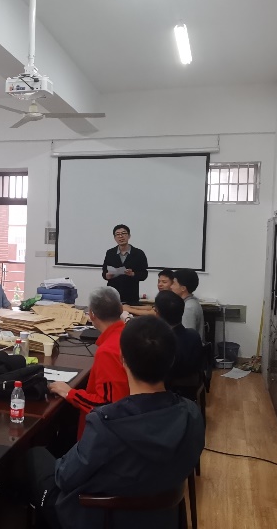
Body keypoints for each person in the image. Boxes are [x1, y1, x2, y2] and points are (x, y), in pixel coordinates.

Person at [28, 315, 205, 529]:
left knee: (34, 456)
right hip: (162, 518)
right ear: (172, 359)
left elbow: (65, 477)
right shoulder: (192, 414)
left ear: (122, 359)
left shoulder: (106, 423)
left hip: (100, 517)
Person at [48, 287, 130, 439]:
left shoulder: (108, 351)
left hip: (103, 437)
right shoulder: (129, 334)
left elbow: (107, 405)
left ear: (91, 314)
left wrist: (69, 393)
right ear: (120, 309)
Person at [153, 290, 204, 391]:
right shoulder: (194, 335)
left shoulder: (160, 344)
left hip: (168, 393)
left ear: (157, 313)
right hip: (191, 391)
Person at [102, 224, 149, 305]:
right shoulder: (110, 253)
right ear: (115, 238)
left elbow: (144, 274)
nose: (121, 236)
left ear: (129, 236)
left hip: (131, 296)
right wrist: (107, 276)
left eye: (123, 233)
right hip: (113, 295)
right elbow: (104, 272)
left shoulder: (138, 253)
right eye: (118, 234)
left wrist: (133, 274)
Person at [171, 269, 205, 343]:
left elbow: (187, 338)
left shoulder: (188, 308)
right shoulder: (190, 302)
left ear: (183, 288)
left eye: (174, 283)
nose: (171, 287)